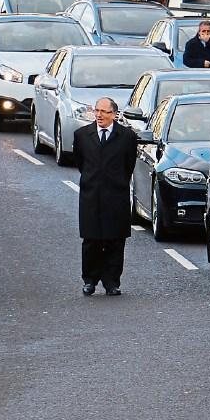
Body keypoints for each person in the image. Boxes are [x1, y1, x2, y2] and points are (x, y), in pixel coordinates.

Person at [73, 97, 138, 296]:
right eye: (97, 111)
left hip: (116, 196)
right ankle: (89, 280)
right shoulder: (82, 135)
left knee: (115, 241)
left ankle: (112, 282)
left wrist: (116, 182)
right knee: (91, 240)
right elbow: (80, 162)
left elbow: (129, 165)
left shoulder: (127, 137)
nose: (99, 115)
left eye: (104, 112)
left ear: (114, 114)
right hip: (91, 195)